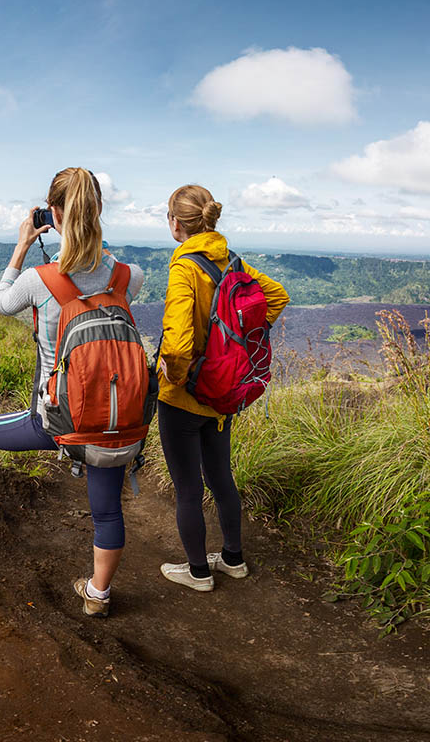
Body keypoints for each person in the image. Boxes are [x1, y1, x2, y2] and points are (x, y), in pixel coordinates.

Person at [0, 167, 144, 617]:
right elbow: (105, 271)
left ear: (53, 215)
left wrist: (21, 243)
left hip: (56, 418)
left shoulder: (40, 279)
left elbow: (1, 303)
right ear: (98, 214)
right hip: (114, 420)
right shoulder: (129, 277)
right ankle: (97, 594)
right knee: (107, 510)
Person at [157, 184, 289, 591]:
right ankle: (232, 559)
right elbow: (276, 297)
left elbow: (177, 342)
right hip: (223, 392)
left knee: (188, 489)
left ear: (175, 223)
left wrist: (174, 378)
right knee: (221, 478)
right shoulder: (231, 262)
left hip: (185, 397)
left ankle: (198, 572)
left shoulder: (184, 268)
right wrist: (234, 347)